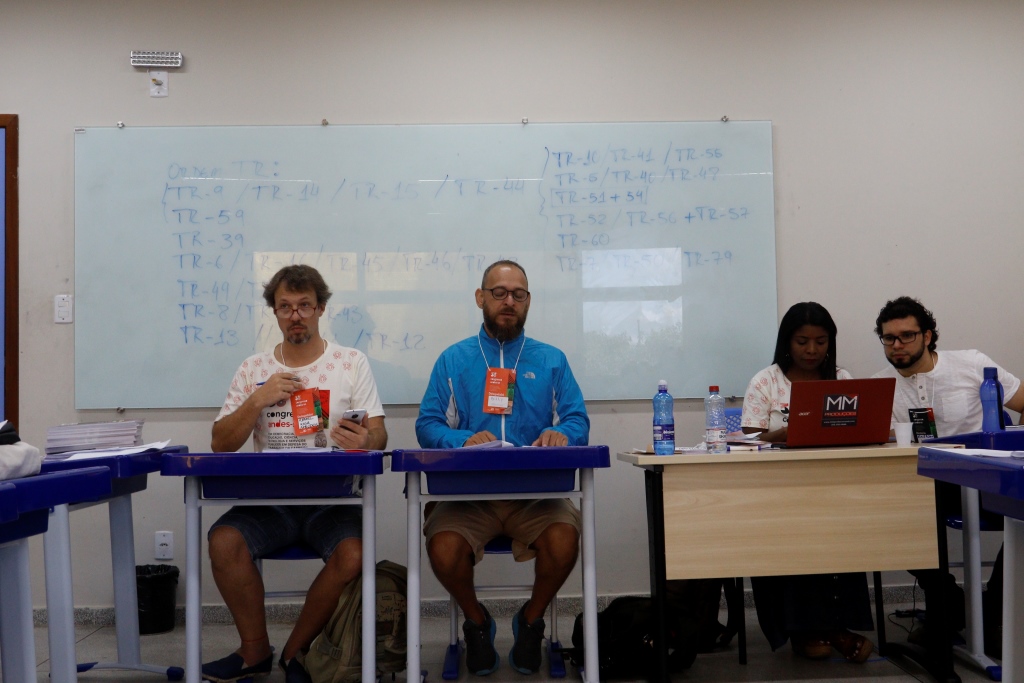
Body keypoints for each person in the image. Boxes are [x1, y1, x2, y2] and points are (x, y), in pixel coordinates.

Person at [204, 264, 388, 683]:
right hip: (270, 501)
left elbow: (379, 435)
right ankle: (254, 651)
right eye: (285, 307)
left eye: (304, 306)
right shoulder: (253, 368)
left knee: (354, 555)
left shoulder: (350, 362)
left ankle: (295, 652)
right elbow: (220, 443)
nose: (295, 316)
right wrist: (258, 400)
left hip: (333, 500)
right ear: (275, 312)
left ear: (321, 308)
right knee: (224, 541)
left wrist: (366, 440)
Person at [415, 260, 590, 676]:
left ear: (528, 301)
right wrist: (461, 440)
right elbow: (427, 424)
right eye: (499, 293)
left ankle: (531, 620)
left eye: (518, 294)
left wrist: (561, 433)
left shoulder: (551, 360)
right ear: (481, 298)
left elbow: (577, 420)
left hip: (536, 496)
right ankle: (477, 622)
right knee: (443, 548)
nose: (509, 301)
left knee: (565, 539)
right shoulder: (453, 360)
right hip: (468, 497)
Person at [872, 295, 1024, 648]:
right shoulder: (879, 387)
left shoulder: (971, 364)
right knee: (884, 517)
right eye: (889, 338)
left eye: (907, 336)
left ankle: (992, 611)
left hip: (987, 476)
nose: (897, 345)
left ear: (927, 336)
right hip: (926, 483)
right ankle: (950, 605)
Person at [740, 302, 874, 662]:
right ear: (787, 341)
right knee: (792, 528)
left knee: (842, 525)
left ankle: (833, 626)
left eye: (820, 341)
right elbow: (746, 441)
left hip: (832, 486)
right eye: (802, 342)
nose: (812, 350)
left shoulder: (842, 380)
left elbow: (859, 428)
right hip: (776, 490)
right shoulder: (766, 381)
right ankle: (810, 630)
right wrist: (784, 433)